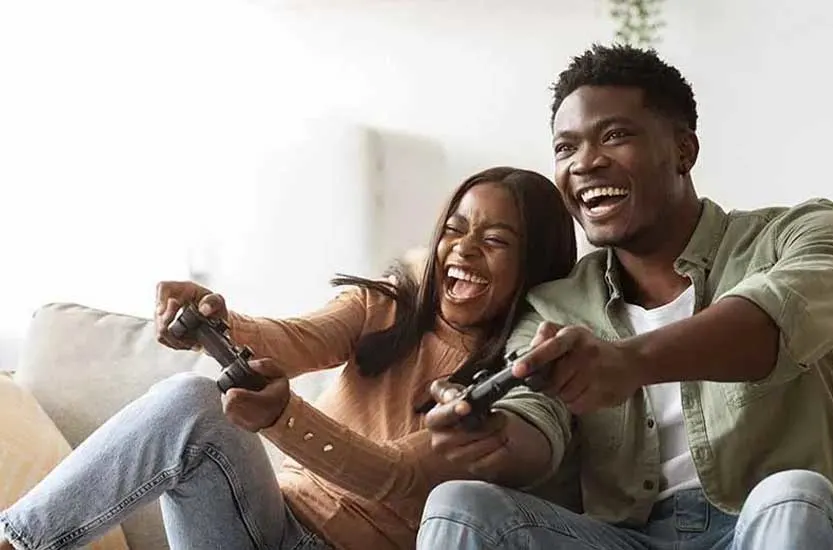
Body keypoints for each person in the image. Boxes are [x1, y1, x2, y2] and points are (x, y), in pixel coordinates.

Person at [417, 44, 833, 549]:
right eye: (565, 148)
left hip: (770, 527)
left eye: (614, 136)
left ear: (685, 150)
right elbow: (535, 420)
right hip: (624, 540)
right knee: (459, 506)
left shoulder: (804, 235)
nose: (585, 163)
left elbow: (774, 321)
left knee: (795, 495)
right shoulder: (554, 305)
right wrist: (493, 435)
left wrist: (629, 363)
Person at [0, 166, 577, 550]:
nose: (465, 249)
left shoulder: (505, 387)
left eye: (496, 241)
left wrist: (283, 418)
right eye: (455, 229)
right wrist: (213, 320)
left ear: (536, 265)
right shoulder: (385, 305)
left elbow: (392, 477)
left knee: (200, 402)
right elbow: (295, 339)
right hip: (257, 521)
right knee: (191, 398)